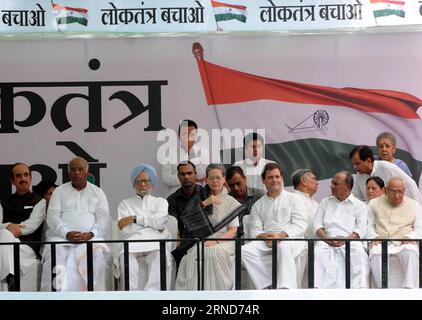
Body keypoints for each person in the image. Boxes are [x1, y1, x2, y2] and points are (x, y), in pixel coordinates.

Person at [41, 157, 109, 291]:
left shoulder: (98, 192)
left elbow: (103, 219)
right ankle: (54, 296)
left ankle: (92, 296)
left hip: (90, 238)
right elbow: (53, 217)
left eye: (80, 169)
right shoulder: (59, 191)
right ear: (69, 173)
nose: (77, 172)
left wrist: (91, 234)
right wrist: (66, 233)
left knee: (97, 254)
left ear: (87, 172)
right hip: (60, 237)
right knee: (55, 252)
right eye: (73, 169)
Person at [174, 164, 244, 290]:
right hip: (200, 239)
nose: (215, 181)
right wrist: (206, 203)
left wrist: (216, 241)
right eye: (211, 178)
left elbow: (233, 230)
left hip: (224, 240)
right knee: (194, 254)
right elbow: (187, 219)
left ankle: (217, 294)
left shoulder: (231, 202)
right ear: (206, 179)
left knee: (213, 252)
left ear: (224, 179)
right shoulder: (199, 197)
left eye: (218, 177)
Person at [241, 163, 308, 289]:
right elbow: (254, 229)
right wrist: (265, 236)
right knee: (244, 251)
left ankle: (286, 290)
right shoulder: (258, 205)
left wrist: (280, 236)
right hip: (267, 240)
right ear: (263, 180)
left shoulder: (294, 199)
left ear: (282, 178)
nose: (274, 180)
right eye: (270, 177)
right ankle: (266, 285)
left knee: (283, 247)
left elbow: (300, 224)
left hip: (291, 239)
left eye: (277, 176)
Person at [116, 164, 173, 291]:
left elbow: (160, 223)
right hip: (132, 241)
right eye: (138, 181)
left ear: (151, 183)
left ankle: (151, 294)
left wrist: (134, 219)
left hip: (156, 241)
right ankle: (130, 295)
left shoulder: (160, 202)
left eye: (146, 181)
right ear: (134, 184)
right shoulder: (125, 204)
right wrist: (152, 223)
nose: (142, 184)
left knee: (160, 254)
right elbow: (125, 229)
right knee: (125, 255)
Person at [314, 171, 369, 288]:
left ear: (347, 187)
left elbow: (361, 229)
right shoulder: (325, 202)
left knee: (359, 254)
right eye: (332, 183)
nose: (331, 186)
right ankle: (317, 291)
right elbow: (317, 225)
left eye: (336, 184)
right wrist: (327, 239)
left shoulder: (360, 206)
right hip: (327, 241)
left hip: (351, 242)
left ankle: (358, 291)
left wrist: (345, 240)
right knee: (318, 252)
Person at [368, 177, 422, 288]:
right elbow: (367, 225)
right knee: (376, 252)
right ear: (386, 190)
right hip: (381, 241)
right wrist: (374, 236)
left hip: (403, 242)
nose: (397, 196)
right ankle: (383, 289)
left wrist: (410, 237)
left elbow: (420, 228)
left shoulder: (414, 205)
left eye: (400, 192)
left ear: (404, 190)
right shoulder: (373, 203)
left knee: (410, 250)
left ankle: (409, 288)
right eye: (393, 191)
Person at [0, 163, 42, 291]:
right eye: (18, 176)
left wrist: (7, 228)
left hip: (27, 246)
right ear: (13, 181)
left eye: (26, 175)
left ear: (30, 178)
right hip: (6, 243)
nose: (23, 179)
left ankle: (9, 278)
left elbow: (31, 226)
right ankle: (10, 278)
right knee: (4, 235)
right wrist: (8, 226)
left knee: (3, 234)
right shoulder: (3, 202)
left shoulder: (40, 202)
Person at [349, 145, 422, 204]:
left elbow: (411, 187)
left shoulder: (388, 169)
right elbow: (356, 197)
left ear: (368, 160)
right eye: (353, 164)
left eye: (357, 163)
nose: (355, 167)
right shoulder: (360, 175)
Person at [160, 119, 210, 197]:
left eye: (192, 135)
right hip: (175, 197)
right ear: (179, 135)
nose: (189, 138)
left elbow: (203, 175)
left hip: (197, 197)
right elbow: (166, 178)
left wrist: (192, 153)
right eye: (186, 134)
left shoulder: (203, 152)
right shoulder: (168, 153)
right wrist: (194, 179)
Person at [226, 166, 265, 237]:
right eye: (231, 185)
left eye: (238, 183)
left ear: (245, 179)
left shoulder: (260, 195)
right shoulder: (226, 200)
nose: (236, 188)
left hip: (256, 238)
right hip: (233, 240)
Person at [291, 169, 319, 239]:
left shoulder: (316, 204)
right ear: (304, 181)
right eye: (314, 179)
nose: (317, 183)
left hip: (318, 246)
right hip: (297, 245)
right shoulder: (290, 200)